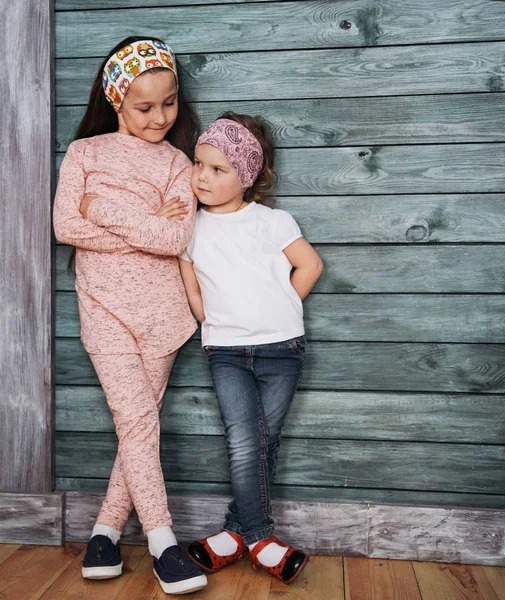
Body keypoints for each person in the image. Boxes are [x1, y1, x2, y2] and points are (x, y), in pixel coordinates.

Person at [53, 36, 207, 595]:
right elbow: (66, 227)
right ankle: (165, 542)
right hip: (104, 311)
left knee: (134, 427)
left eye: (169, 103)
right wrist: (144, 223)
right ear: (116, 100)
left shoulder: (177, 164)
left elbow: (176, 236)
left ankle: (105, 531)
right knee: (139, 422)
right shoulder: (86, 154)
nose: (160, 117)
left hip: (164, 316)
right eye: (145, 107)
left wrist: (106, 211)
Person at [179, 113, 324, 584]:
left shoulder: (272, 221)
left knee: (263, 442)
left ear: (247, 176)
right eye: (199, 164)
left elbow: (310, 266)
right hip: (226, 352)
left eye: (217, 169)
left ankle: (234, 536)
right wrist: (215, 321)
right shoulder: (190, 228)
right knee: (245, 441)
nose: (202, 175)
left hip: (282, 350)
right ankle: (262, 540)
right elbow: (194, 291)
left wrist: (281, 307)